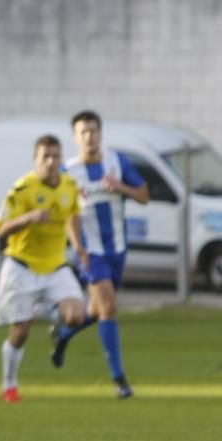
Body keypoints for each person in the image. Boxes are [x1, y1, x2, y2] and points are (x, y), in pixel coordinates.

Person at [52, 110, 150, 398]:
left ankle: (63, 336)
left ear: (100, 134)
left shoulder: (116, 161)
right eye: (83, 132)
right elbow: (68, 214)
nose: (89, 137)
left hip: (118, 249)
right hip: (90, 252)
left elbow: (144, 195)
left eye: (93, 131)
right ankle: (119, 379)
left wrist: (120, 187)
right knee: (109, 306)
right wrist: (77, 248)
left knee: (97, 310)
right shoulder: (68, 173)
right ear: (75, 138)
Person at [0, 135, 87, 403]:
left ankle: (51, 323)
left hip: (55, 266)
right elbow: (0, 228)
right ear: (35, 160)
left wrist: (78, 246)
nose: (51, 162)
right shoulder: (22, 190)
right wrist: (28, 218)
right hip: (21, 267)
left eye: (55, 156)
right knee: (20, 332)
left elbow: (72, 214)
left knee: (76, 316)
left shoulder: (69, 185)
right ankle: (9, 384)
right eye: (45, 157)